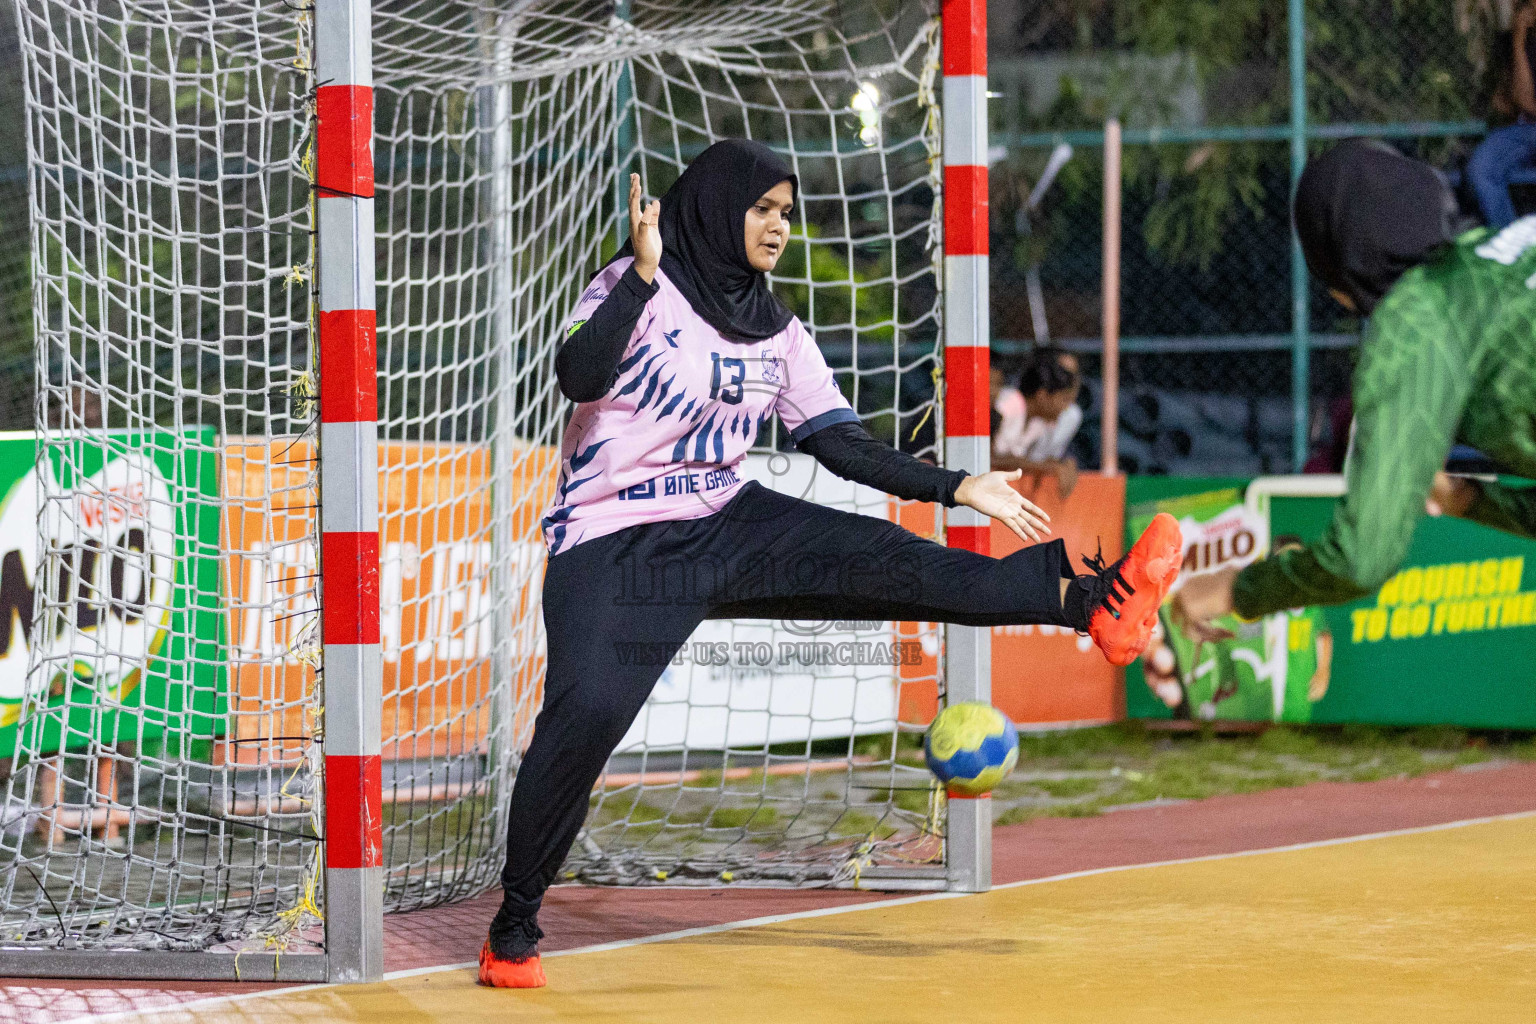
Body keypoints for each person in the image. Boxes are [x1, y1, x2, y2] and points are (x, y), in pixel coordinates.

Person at [478, 139, 1185, 988]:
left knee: (894, 559)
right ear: (715, 208)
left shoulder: (779, 331)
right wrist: (637, 273)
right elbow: (576, 375)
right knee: (585, 717)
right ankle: (514, 928)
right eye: (762, 210)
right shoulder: (638, 285)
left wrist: (958, 485)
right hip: (614, 543)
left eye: (786, 213)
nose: (778, 227)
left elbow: (843, 448)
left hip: (724, 517)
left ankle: (1095, 603)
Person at [1178, 139, 1536, 634]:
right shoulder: (1502, 250)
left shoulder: (1414, 323)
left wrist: (1236, 589)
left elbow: (1361, 559)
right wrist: (1470, 500)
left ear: (1339, 283)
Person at [1467, 1, 1536, 229]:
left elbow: (1526, 102)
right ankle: (1508, 242)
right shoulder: (1513, 40)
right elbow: (1507, 104)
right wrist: (1518, 43)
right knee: (1481, 169)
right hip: (1524, 130)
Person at [991, 345, 1083, 498]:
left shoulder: (1039, 423)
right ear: (1042, 396)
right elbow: (988, 457)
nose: (1066, 408)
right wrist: (1043, 466)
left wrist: (1061, 463)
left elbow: (1023, 460)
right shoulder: (1007, 404)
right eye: (1063, 399)